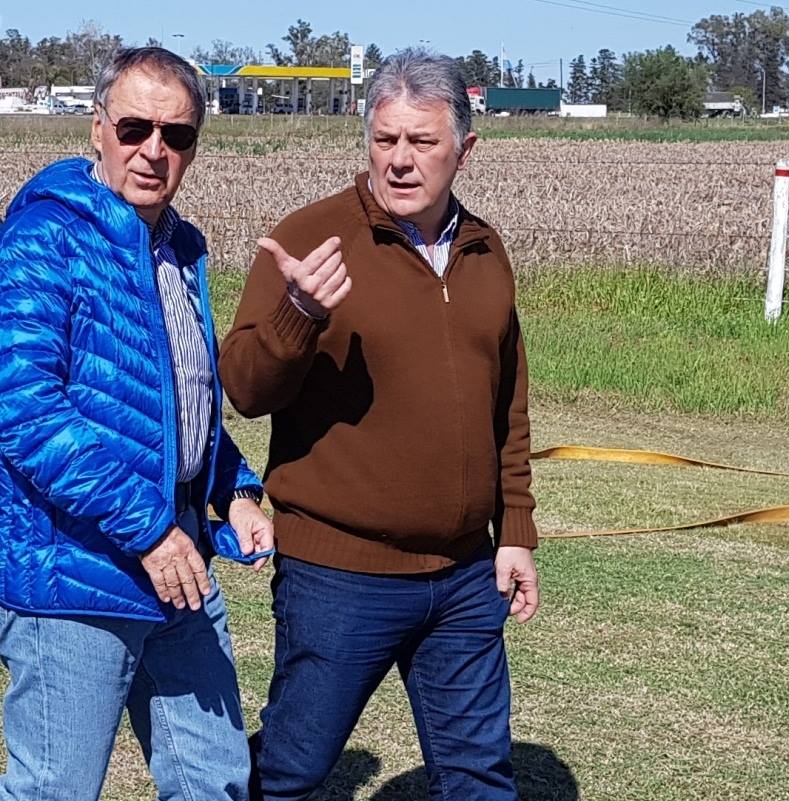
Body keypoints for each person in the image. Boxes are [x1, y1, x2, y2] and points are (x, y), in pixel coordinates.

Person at [219, 49, 540, 801]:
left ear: (464, 149)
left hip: (465, 575)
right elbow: (244, 388)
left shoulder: (485, 249)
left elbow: (507, 403)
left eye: (422, 142)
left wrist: (516, 529)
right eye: (384, 139)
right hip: (340, 576)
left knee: (478, 775)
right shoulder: (313, 237)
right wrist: (299, 314)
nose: (400, 160)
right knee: (292, 770)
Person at [0, 47, 276, 801]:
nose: (155, 150)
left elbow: (176, 402)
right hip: (74, 571)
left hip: (178, 556)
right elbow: (23, 409)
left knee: (214, 779)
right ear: (97, 127)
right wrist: (149, 531)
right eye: (135, 128)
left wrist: (233, 489)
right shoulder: (45, 237)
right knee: (55, 788)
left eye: (176, 135)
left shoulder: (180, 247)